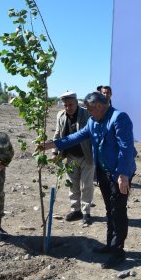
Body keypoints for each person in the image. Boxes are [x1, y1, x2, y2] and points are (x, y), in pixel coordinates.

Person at [41, 92, 137, 269]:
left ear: (100, 106)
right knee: (110, 210)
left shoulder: (119, 118)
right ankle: (110, 244)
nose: (89, 113)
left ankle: (118, 252)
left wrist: (123, 175)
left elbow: (126, 148)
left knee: (118, 211)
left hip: (119, 174)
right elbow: (76, 137)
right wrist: (52, 145)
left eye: (91, 110)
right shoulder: (93, 121)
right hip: (103, 171)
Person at [52, 91, 95, 225]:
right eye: (65, 105)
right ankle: (76, 210)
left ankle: (86, 212)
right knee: (72, 185)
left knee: (86, 186)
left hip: (87, 156)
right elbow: (58, 134)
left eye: (70, 104)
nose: (68, 108)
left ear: (77, 102)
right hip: (70, 156)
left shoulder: (87, 114)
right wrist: (54, 152)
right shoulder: (60, 115)